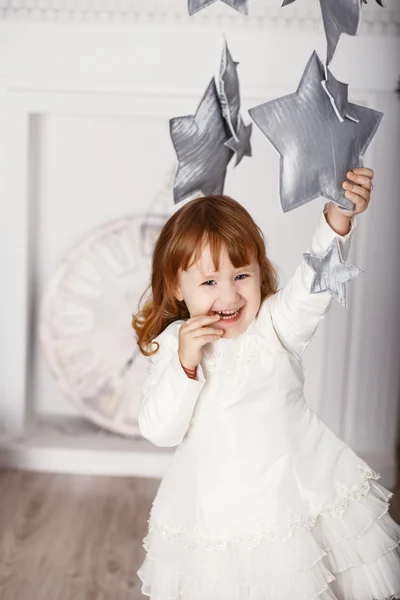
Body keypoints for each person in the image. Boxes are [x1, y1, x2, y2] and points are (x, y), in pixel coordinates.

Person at [132, 167, 400, 600]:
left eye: (242, 275)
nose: (230, 295)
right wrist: (186, 363)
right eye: (208, 282)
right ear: (176, 288)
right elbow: (160, 430)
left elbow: (313, 286)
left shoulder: (275, 324)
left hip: (293, 500)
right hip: (215, 513)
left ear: (260, 272)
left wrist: (337, 220)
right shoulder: (173, 346)